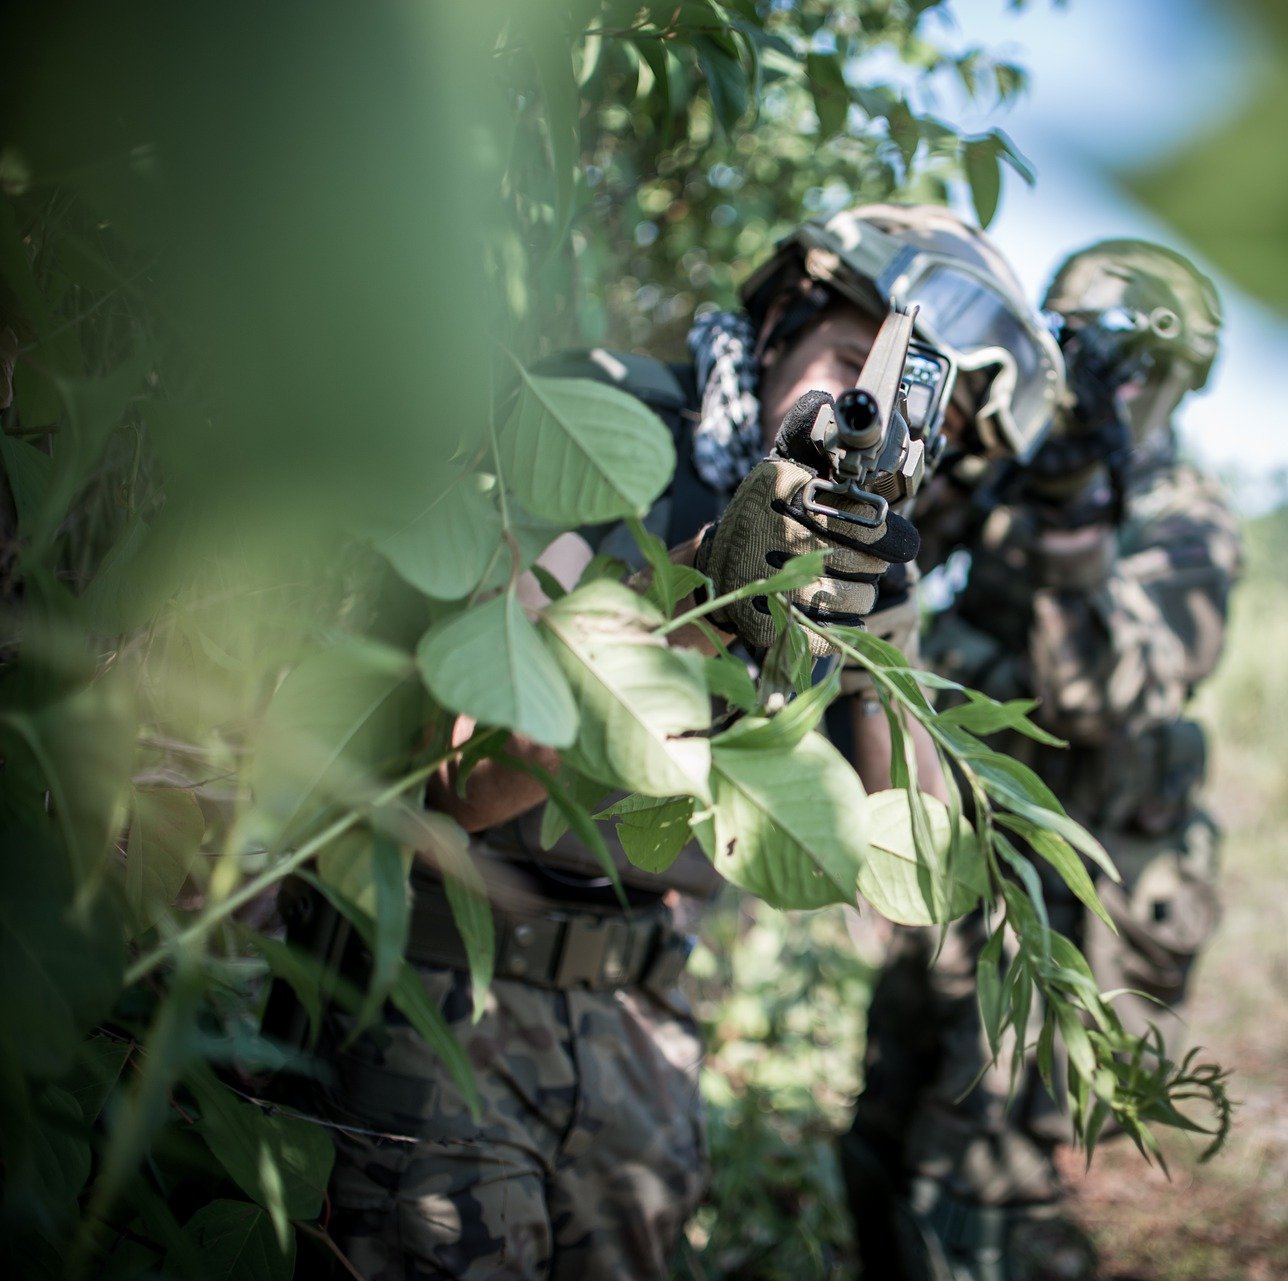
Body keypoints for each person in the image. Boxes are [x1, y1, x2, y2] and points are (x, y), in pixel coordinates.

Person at [282, 204, 1063, 1281]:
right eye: (850, 359)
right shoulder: (610, 433)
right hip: (441, 1005)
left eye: (916, 424)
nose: (864, 417)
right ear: (785, 317)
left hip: (639, 1026)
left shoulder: (854, 567)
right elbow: (458, 776)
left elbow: (918, 877)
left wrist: (889, 632)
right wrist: (702, 586)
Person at [842, 239, 1243, 1281]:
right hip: (958, 865)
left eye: (1136, 366)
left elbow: (1105, 697)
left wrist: (1077, 521)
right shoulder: (1007, 461)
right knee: (878, 1145)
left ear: (1180, 381)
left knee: (974, 1195)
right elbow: (882, 570)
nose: (1111, 384)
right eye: (1081, 349)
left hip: (1064, 905)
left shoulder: (1180, 515)